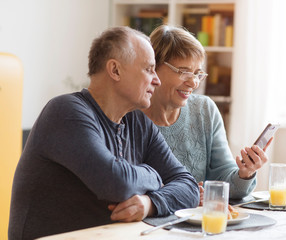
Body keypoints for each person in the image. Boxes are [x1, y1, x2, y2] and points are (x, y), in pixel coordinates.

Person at [8, 26, 199, 240]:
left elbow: (188, 186)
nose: (157, 79)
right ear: (115, 70)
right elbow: (117, 183)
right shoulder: (65, 112)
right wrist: (154, 175)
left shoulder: (137, 122)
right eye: (148, 69)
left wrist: (150, 203)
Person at [143, 25, 271, 202]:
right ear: (153, 68)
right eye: (184, 72)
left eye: (197, 73)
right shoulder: (129, 117)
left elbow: (225, 180)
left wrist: (245, 173)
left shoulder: (204, 110)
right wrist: (182, 194)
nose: (194, 83)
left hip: (198, 222)